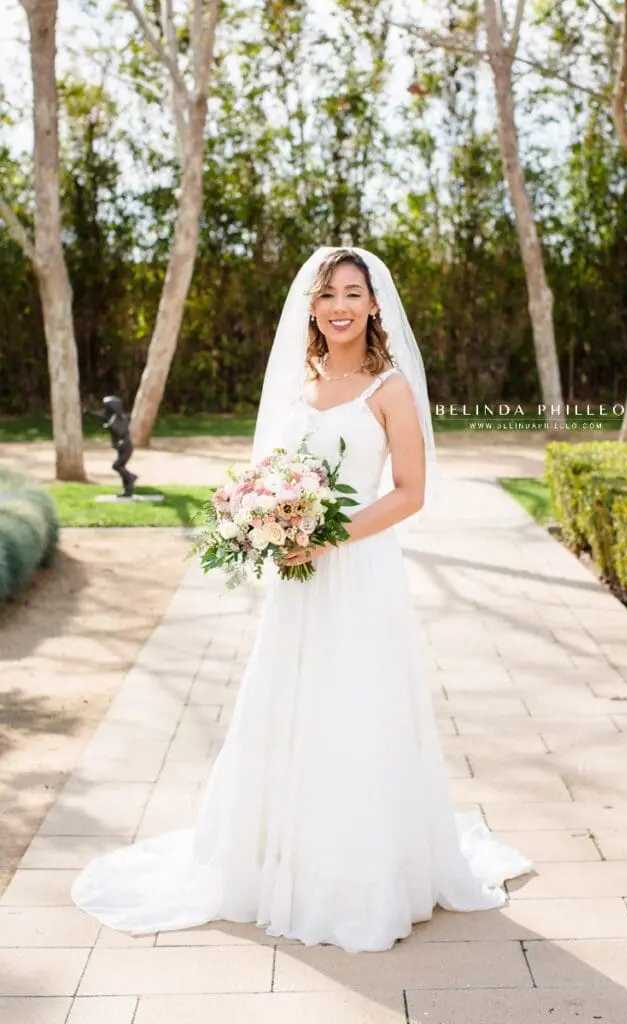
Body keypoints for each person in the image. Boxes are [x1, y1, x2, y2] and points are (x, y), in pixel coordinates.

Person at [70, 246, 533, 954]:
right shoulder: (296, 386)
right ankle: (276, 862)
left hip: (359, 574)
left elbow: (409, 492)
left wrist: (329, 536)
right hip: (298, 579)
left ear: (374, 305)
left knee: (357, 708)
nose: (340, 305)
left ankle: (364, 876)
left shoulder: (390, 389)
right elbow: (270, 473)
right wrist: (263, 517)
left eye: (354, 292)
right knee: (287, 704)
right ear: (312, 307)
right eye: (328, 294)